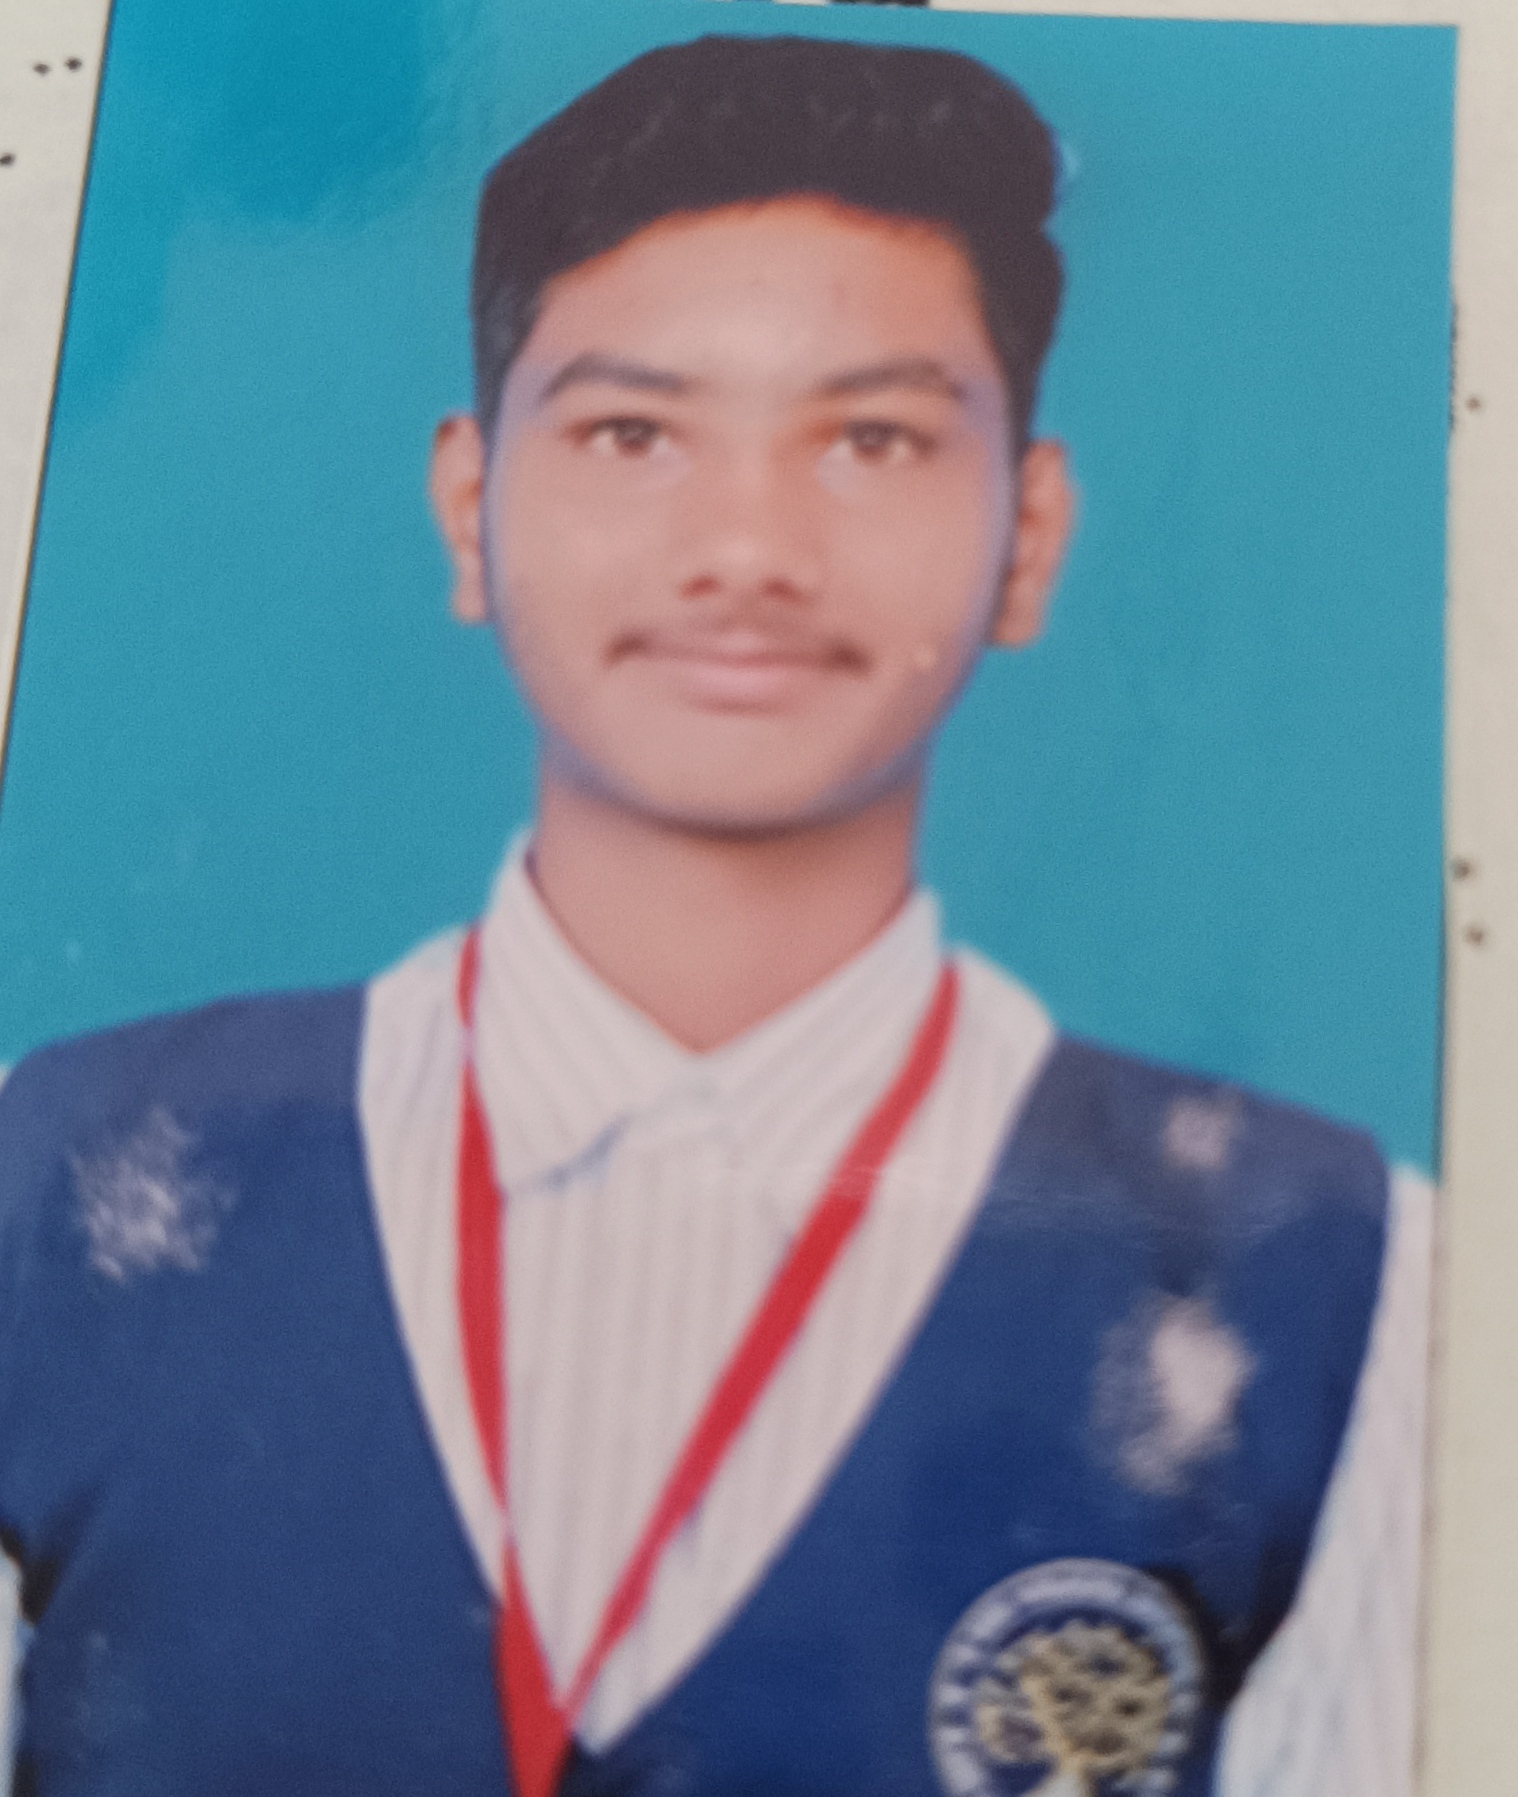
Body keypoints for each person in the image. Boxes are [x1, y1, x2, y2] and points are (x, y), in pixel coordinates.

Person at [0, 33, 1428, 1797]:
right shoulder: (65, 1174)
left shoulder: (1329, 1272)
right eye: (632, 432)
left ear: (1030, 532)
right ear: (470, 506)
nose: (746, 547)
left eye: (872, 437)